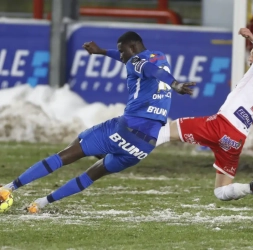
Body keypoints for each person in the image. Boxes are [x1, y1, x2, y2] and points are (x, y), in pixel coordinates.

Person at [0, 31, 195, 213]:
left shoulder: (137, 62)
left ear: (133, 48)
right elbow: (144, 65)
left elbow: (144, 67)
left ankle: (8, 188)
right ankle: (39, 204)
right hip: (145, 144)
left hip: (127, 128)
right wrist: (102, 52)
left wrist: (175, 83)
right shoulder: (160, 57)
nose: (120, 56)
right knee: (94, 173)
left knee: (71, 150)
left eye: (121, 51)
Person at [156, 27, 253, 208]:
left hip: (222, 125)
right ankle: (251, 188)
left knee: (168, 130)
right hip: (236, 139)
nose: (251, 57)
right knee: (221, 192)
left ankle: (129, 152)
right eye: (252, 54)